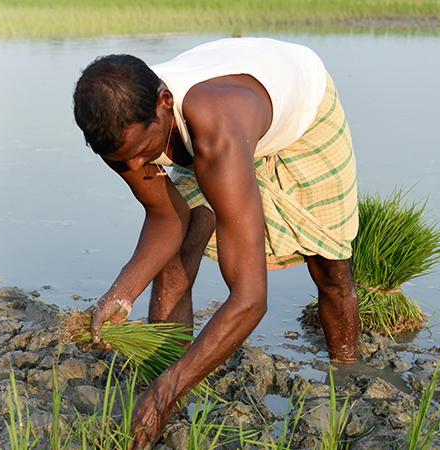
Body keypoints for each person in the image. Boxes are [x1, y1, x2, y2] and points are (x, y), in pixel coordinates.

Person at [71, 37, 360, 449]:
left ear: (165, 102)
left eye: (142, 152)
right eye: (122, 159)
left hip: (301, 114)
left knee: (329, 265)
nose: (137, 167)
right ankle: (168, 375)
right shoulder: (121, 135)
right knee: (178, 251)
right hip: (218, 128)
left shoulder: (215, 133)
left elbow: (249, 299)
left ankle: (346, 380)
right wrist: (121, 293)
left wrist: (163, 395)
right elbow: (165, 218)